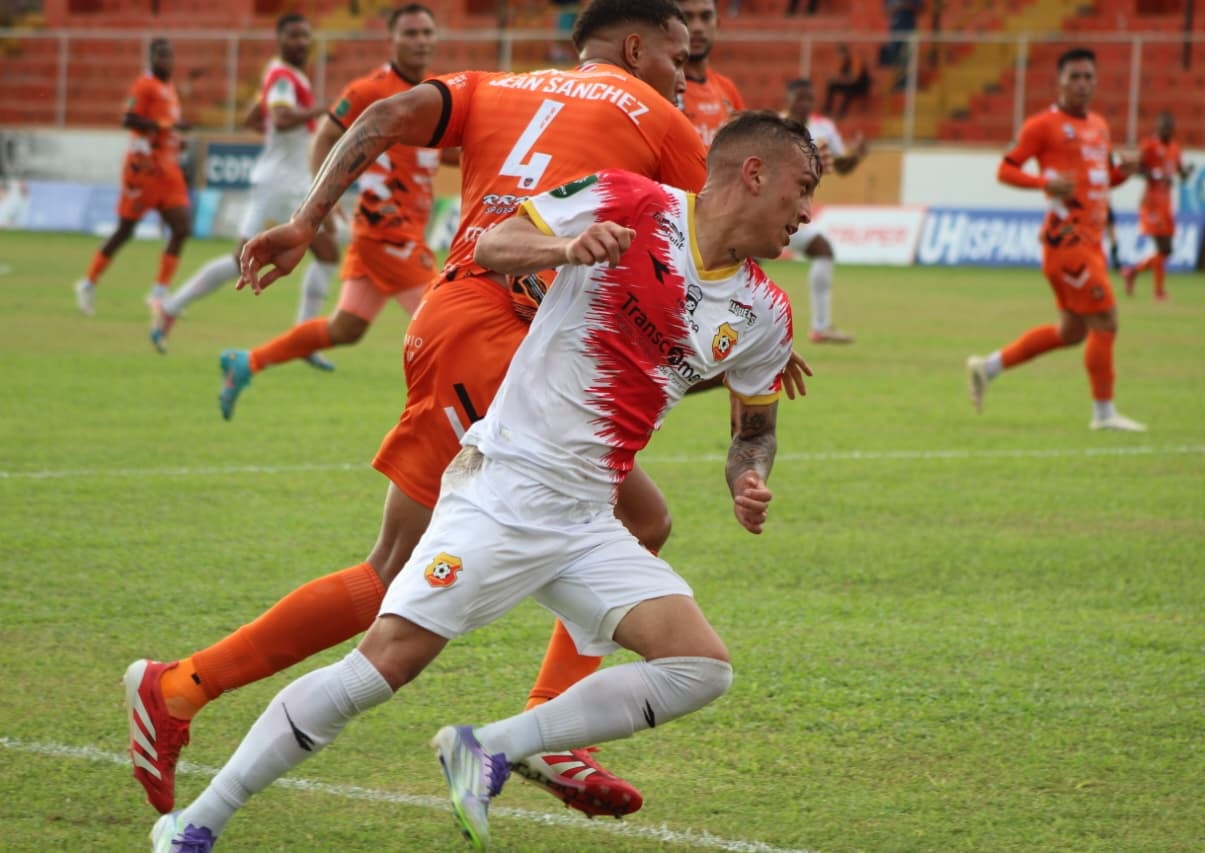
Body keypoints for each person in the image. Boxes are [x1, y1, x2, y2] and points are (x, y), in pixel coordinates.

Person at [149, 108, 819, 853]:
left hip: (588, 516)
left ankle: (492, 746)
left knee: (700, 667)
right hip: (504, 487)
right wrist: (565, 247)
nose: (807, 210)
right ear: (753, 174)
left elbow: (753, 433)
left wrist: (747, 479)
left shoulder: (764, 312)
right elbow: (493, 244)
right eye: (803, 186)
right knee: (383, 666)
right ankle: (193, 824)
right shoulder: (630, 199)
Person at [212, 4, 441, 418]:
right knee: (448, 323)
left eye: (427, 32)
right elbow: (325, 139)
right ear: (391, 40)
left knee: (346, 328)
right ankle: (450, 420)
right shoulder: (368, 90)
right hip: (386, 231)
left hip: (408, 229)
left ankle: (246, 362)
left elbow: (445, 152)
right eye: (410, 33)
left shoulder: (431, 92)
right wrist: (321, 203)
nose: (421, 41)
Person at [966, 47, 1146, 432]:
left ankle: (988, 367)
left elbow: (1099, 183)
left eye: (1088, 77)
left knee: (1072, 332)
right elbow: (1005, 169)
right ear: (1060, 81)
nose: (1082, 84)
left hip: (1091, 242)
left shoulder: (1098, 125)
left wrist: (1125, 173)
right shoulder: (1043, 126)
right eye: (1074, 77)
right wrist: (1043, 182)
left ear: (1096, 82)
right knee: (1107, 320)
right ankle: (1104, 414)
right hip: (1068, 243)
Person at [149, 13, 338, 366]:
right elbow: (279, 119)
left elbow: (255, 117)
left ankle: (300, 340)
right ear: (280, 39)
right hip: (281, 186)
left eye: (306, 36)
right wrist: (324, 109)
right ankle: (171, 307)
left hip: (288, 182)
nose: (301, 42)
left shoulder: (280, 74)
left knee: (324, 254)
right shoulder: (282, 75)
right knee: (252, 260)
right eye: (294, 36)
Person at [74, 38, 191, 318]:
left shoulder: (170, 88)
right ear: (151, 59)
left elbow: (165, 128)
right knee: (125, 231)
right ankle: (88, 283)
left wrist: (175, 138)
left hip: (167, 169)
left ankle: (159, 293)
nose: (167, 62)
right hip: (143, 170)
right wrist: (166, 126)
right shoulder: (144, 85)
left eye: (170, 56)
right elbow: (128, 119)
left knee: (182, 227)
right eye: (161, 56)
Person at [782, 77, 866, 344]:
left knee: (823, 249)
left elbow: (841, 167)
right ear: (789, 99)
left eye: (810, 98)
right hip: (769, 209)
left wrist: (857, 155)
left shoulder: (823, 129)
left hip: (793, 212)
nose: (805, 104)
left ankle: (820, 327)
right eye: (800, 98)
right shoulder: (774, 126)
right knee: (747, 261)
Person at [1122, 111, 1192, 301]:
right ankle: (1158, 291)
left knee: (1166, 250)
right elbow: (1136, 168)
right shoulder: (1149, 146)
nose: (1165, 132)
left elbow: (1180, 173)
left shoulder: (1175, 148)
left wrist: (1187, 172)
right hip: (1151, 203)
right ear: (1157, 128)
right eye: (1162, 128)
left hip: (1166, 204)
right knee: (1163, 247)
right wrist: (1153, 174)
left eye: (1168, 129)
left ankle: (1132, 271)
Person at [675, 0, 744, 149]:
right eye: (687, 18)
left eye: (705, 17)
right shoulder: (662, 89)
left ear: (717, 23)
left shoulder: (728, 89)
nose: (697, 27)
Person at [823, 43, 871, 119]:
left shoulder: (855, 60)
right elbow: (833, 76)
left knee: (849, 91)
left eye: (841, 54)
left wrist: (841, 78)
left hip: (860, 86)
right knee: (831, 86)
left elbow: (854, 78)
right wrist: (840, 78)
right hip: (847, 83)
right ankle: (827, 109)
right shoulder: (841, 62)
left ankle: (841, 112)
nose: (840, 56)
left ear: (845, 53)